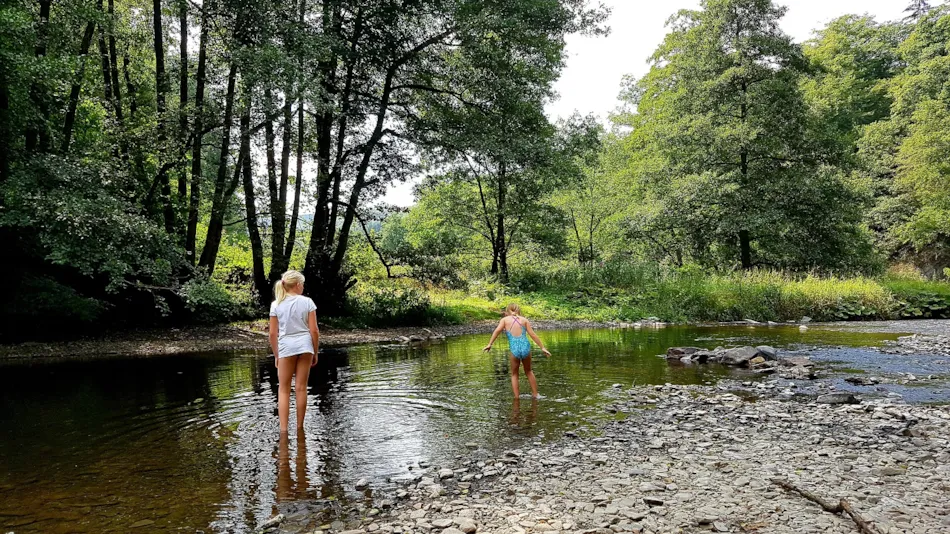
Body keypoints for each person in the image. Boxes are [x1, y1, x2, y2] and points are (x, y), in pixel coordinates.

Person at [269, 270, 319, 434]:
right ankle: (299, 428)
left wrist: (276, 355)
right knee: (301, 388)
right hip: (305, 346)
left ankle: (283, 430)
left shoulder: (276, 304)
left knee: (284, 389)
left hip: (286, 347)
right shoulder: (308, 302)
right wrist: (315, 352)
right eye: (302, 284)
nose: (303, 287)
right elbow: (314, 331)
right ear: (297, 285)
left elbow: (272, 334)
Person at [483, 303, 551, 398]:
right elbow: (533, 335)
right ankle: (536, 394)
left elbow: (497, 331)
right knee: (529, 371)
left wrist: (489, 344)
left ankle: (517, 397)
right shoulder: (524, 320)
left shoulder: (504, 320)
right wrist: (542, 347)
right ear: (519, 310)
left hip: (514, 348)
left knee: (514, 374)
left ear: (507, 311)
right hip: (525, 347)